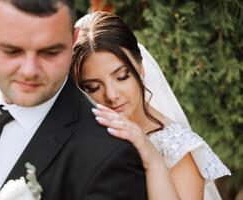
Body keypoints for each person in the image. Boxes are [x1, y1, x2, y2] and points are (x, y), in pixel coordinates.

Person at [0, 1, 148, 200]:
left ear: (73, 40)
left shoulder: (108, 157)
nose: (30, 71)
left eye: (50, 52)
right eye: (12, 51)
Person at [72, 11, 231, 200]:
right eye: (93, 87)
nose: (111, 95)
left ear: (140, 69)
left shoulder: (177, 150)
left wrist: (151, 157)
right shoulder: (82, 138)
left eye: (122, 77)